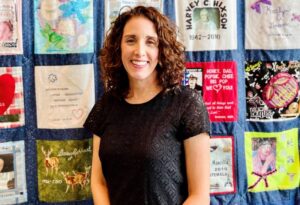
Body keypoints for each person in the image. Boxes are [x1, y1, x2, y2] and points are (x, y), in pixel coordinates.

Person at [84, 6, 210, 205]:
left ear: (162, 50)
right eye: (131, 40)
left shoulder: (187, 104)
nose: (139, 51)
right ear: (119, 47)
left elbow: (200, 196)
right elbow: (98, 182)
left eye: (150, 42)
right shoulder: (105, 106)